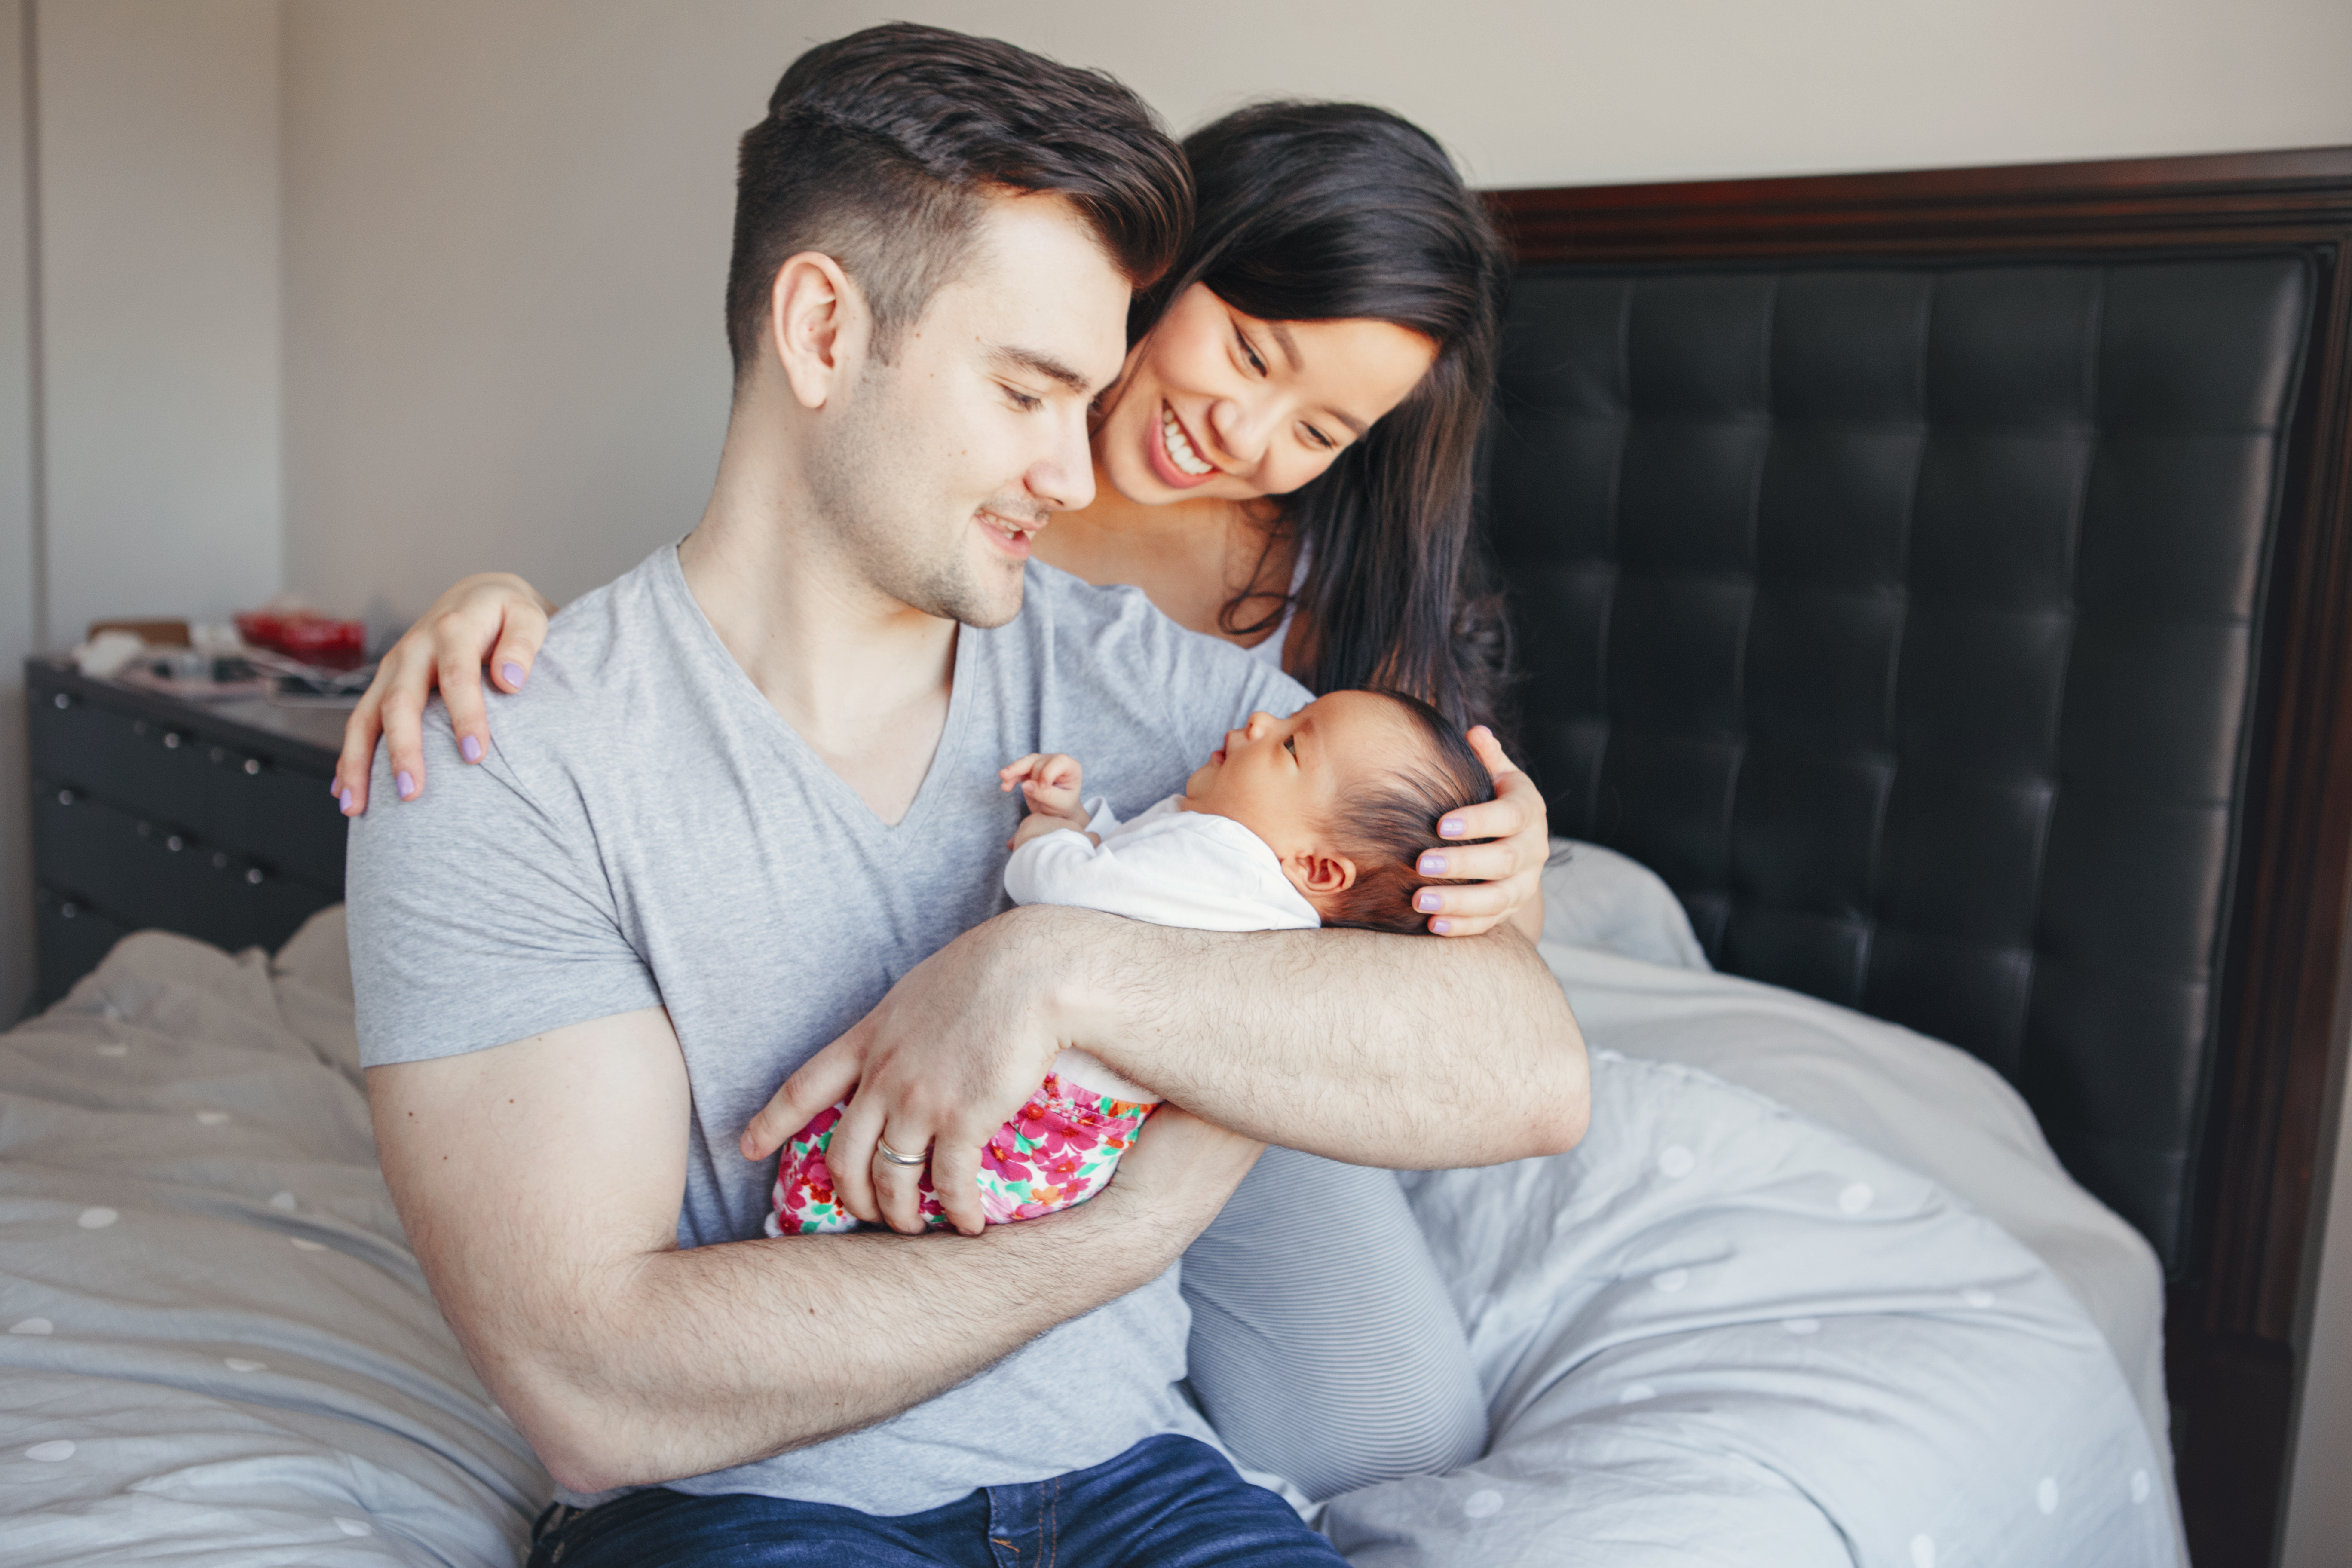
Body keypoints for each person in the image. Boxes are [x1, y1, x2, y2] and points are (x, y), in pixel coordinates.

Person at [346, 25, 1589, 1568]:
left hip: (1140, 1471)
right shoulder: (507, 749)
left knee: (1381, 1425)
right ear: (820, 329)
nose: (1082, 474)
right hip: (766, 1508)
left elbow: (1530, 1063)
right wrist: (1128, 1226)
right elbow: (594, 1389)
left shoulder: (1190, 689)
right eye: (1029, 389)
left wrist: (1052, 964)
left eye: (1317, 430)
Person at [330, 99, 1544, 943]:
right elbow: (731, 654)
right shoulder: (952, 481)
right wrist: (503, 612)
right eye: (1248, 351)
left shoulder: (1324, 591)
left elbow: (1410, 865)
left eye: (1320, 434)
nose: (1244, 433)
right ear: (1168, 260)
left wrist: (1510, 863)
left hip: (1224, 1029)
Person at [770, 688, 1498, 1235]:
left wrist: (1042, 838)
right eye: (1287, 717)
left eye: (1290, 748)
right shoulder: (1254, 888)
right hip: (1082, 1143)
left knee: (847, 1146)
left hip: (1039, 1117)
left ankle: (796, 1230)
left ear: (1319, 867)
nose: (1258, 723)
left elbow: (1063, 887)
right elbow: (1127, 877)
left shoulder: (1225, 856)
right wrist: (1075, 819)